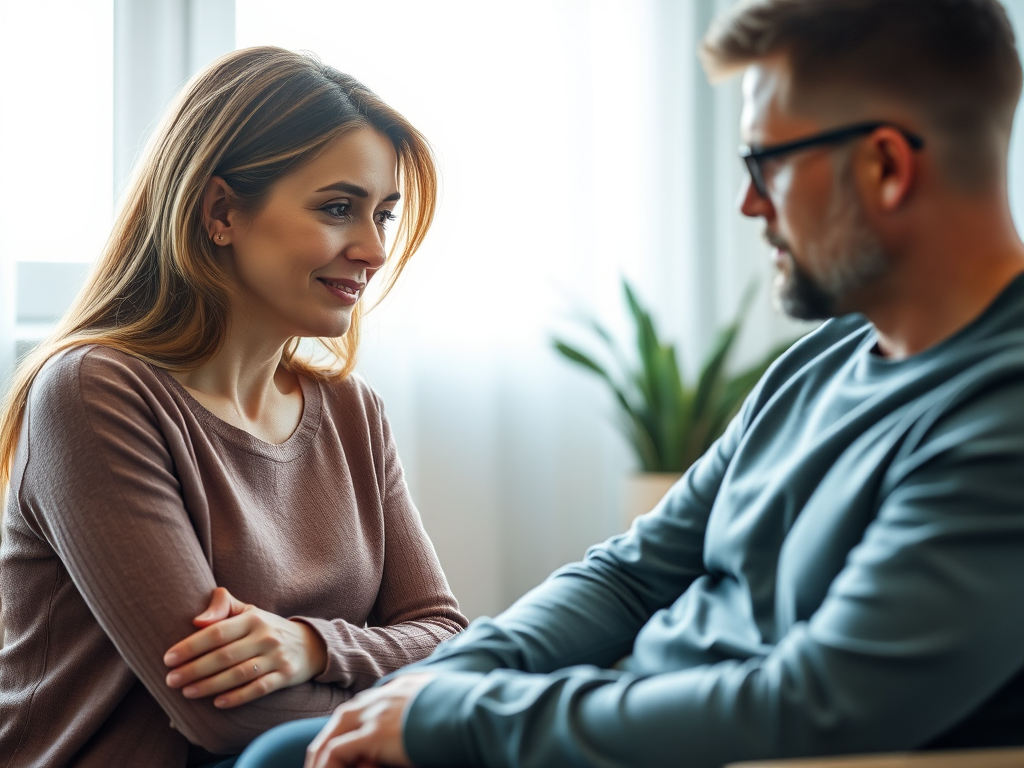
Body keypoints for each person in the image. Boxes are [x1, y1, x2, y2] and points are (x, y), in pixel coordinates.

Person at [233, 1, 1024, 766]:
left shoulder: (1000, 418)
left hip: (713, 750)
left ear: (885, 164)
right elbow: (631, 573)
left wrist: (457, 716)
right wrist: (428, 684)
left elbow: (817, 702)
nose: (750, 204)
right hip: (626, 719)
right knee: (292, 751)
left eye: (768, 164)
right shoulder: (826, 359)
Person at [0, 46, 467, 768]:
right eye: (339, 208)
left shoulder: (352, 411)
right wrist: (417, 716)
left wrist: (314, 645)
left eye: (384, 215)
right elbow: (223, 719)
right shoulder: (93, 393)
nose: (374, 249)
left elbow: (446, 632)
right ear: (220, 211)